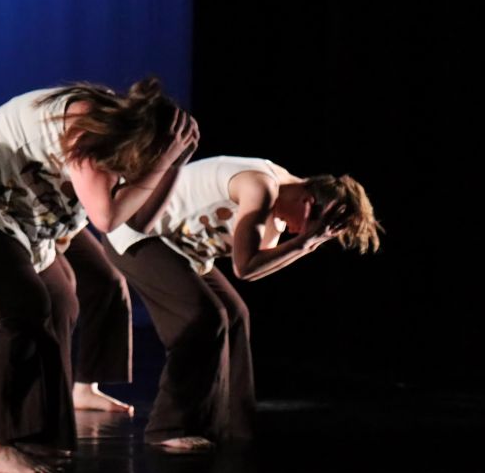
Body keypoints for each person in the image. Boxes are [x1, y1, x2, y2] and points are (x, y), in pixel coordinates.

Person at [0, 79, 197, 473]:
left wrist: (172, 164)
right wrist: (165, 158)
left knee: (61, 300)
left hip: (14, 216)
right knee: (18, 307)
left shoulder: (113, 136)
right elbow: (107, 217)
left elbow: (138, 218)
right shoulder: (86, 123)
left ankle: (37, 435)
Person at [100, 155, 381, 452]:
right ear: (308, 201)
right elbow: (244, 267)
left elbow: (255, 269)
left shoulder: (279, 203)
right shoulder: (260, 186)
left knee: (235, 315)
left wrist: (307, 244)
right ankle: (168, 427)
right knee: (203, 317)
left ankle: (233, 426)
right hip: (135, 233)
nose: (302, 232)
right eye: (315, 226)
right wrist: (304, 243)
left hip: (181, 251)